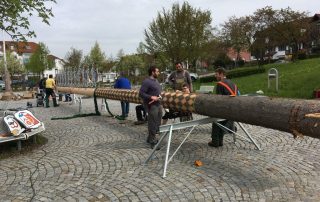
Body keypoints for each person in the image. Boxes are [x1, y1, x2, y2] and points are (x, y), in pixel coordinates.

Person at [208, 67, 238, 147]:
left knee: (216, 120)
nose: (215, 76)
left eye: (216, 74)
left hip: (224, 109)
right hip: (233, 110)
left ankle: (215, 142)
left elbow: (219, 100)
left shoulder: (220, 84)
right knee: (222, 123)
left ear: (221, 74)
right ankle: (220, 141)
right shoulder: (233, 84)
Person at [139, 66, 163, 149]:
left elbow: (157, 91)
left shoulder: (156, 80)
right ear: (152, 72)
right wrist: (151, 97)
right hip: (151, 105)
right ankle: (152, 141)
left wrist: (159, 95)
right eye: (157, 71)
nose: (158, 73)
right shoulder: (147, 81)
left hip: (158, 104)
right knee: (152, 123)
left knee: (158, 123)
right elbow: (141, 93)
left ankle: (150, 138)